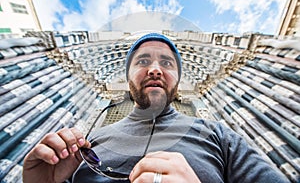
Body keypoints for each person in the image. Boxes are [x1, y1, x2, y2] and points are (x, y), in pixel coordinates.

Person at [23, 33, 289, 183]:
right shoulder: (83, 150)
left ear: (178, 81)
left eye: (167, 62)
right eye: (142, 61)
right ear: (127, 80)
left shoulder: (219, 136)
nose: (154, 69)